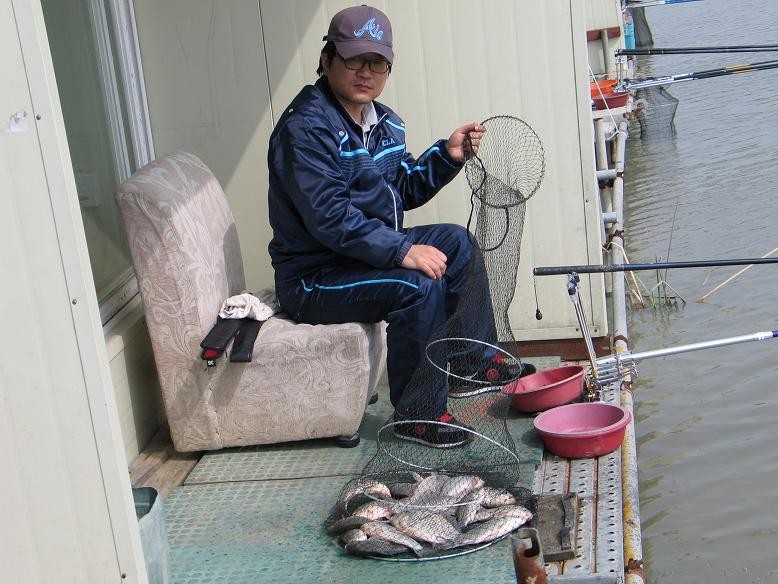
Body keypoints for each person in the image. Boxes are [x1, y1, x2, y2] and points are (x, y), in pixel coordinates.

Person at [267, 5, 526, 448]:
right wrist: (402, 251)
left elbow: (399, 190)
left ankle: (468, 364)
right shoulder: (305, 129)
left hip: (361, 257)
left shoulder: (384, 122)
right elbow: (330, 217)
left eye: (377, 62)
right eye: (354, 59)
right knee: (417, 285)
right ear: (327, 60)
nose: (366, 72)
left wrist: (447, 156)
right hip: (316, 276)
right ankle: (417, 414)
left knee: (457, 243)